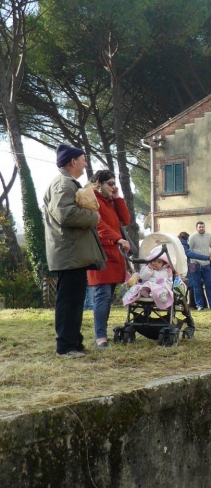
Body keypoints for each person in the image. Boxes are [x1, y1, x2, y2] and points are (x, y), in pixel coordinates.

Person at [43, 144, 106, 358]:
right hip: (69, 253)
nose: (86, 163)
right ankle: (66, 347)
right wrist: (94, 218)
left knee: (75, 300)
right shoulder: (62, 184)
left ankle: (74, 342)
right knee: (69, 301)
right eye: (83, 159)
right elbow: (66, 215)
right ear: (73, 162)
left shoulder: (67, 183)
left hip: (72, 253)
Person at [85, 170, 131, 349]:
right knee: (102, 296)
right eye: (110, 183)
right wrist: (118, 238)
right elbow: (98, 225)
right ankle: (100, 337)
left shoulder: (110, 201)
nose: (113, 186)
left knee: (108, 295)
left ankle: (102, 334)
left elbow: (125, 220)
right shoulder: (91, 199)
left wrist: (118, 197)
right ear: (98, 182)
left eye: (114, 183)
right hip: (100, 253)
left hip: (115, 254)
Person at [188, 221, 211, 310]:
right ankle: (199, 305)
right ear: (196, 228)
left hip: (206, 265)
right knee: (197, 286)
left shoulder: (208, 236)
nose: (201, 228)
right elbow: (189, 251)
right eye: (199, 227)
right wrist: (192, 261)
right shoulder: (192, 237)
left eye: (203, 227)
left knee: (209, 285)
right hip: (196, 264)